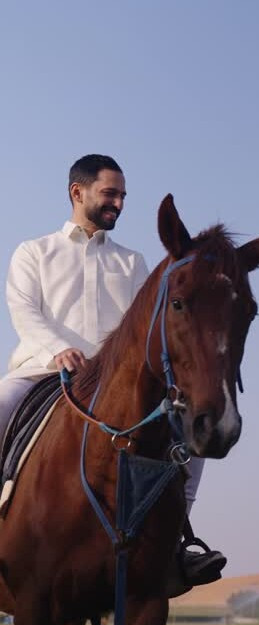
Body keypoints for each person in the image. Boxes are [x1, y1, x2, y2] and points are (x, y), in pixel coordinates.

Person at [0, 154, 224, 594]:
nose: (119, 203)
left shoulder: (132, 262)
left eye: (122, 196)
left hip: (112, 386)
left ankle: (179, 542)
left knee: (189, 436)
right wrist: (56, 349)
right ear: (77, 192)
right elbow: (24, 311)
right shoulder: (34, 252)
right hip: (43, 374)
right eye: (110, 193)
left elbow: (144, 324)